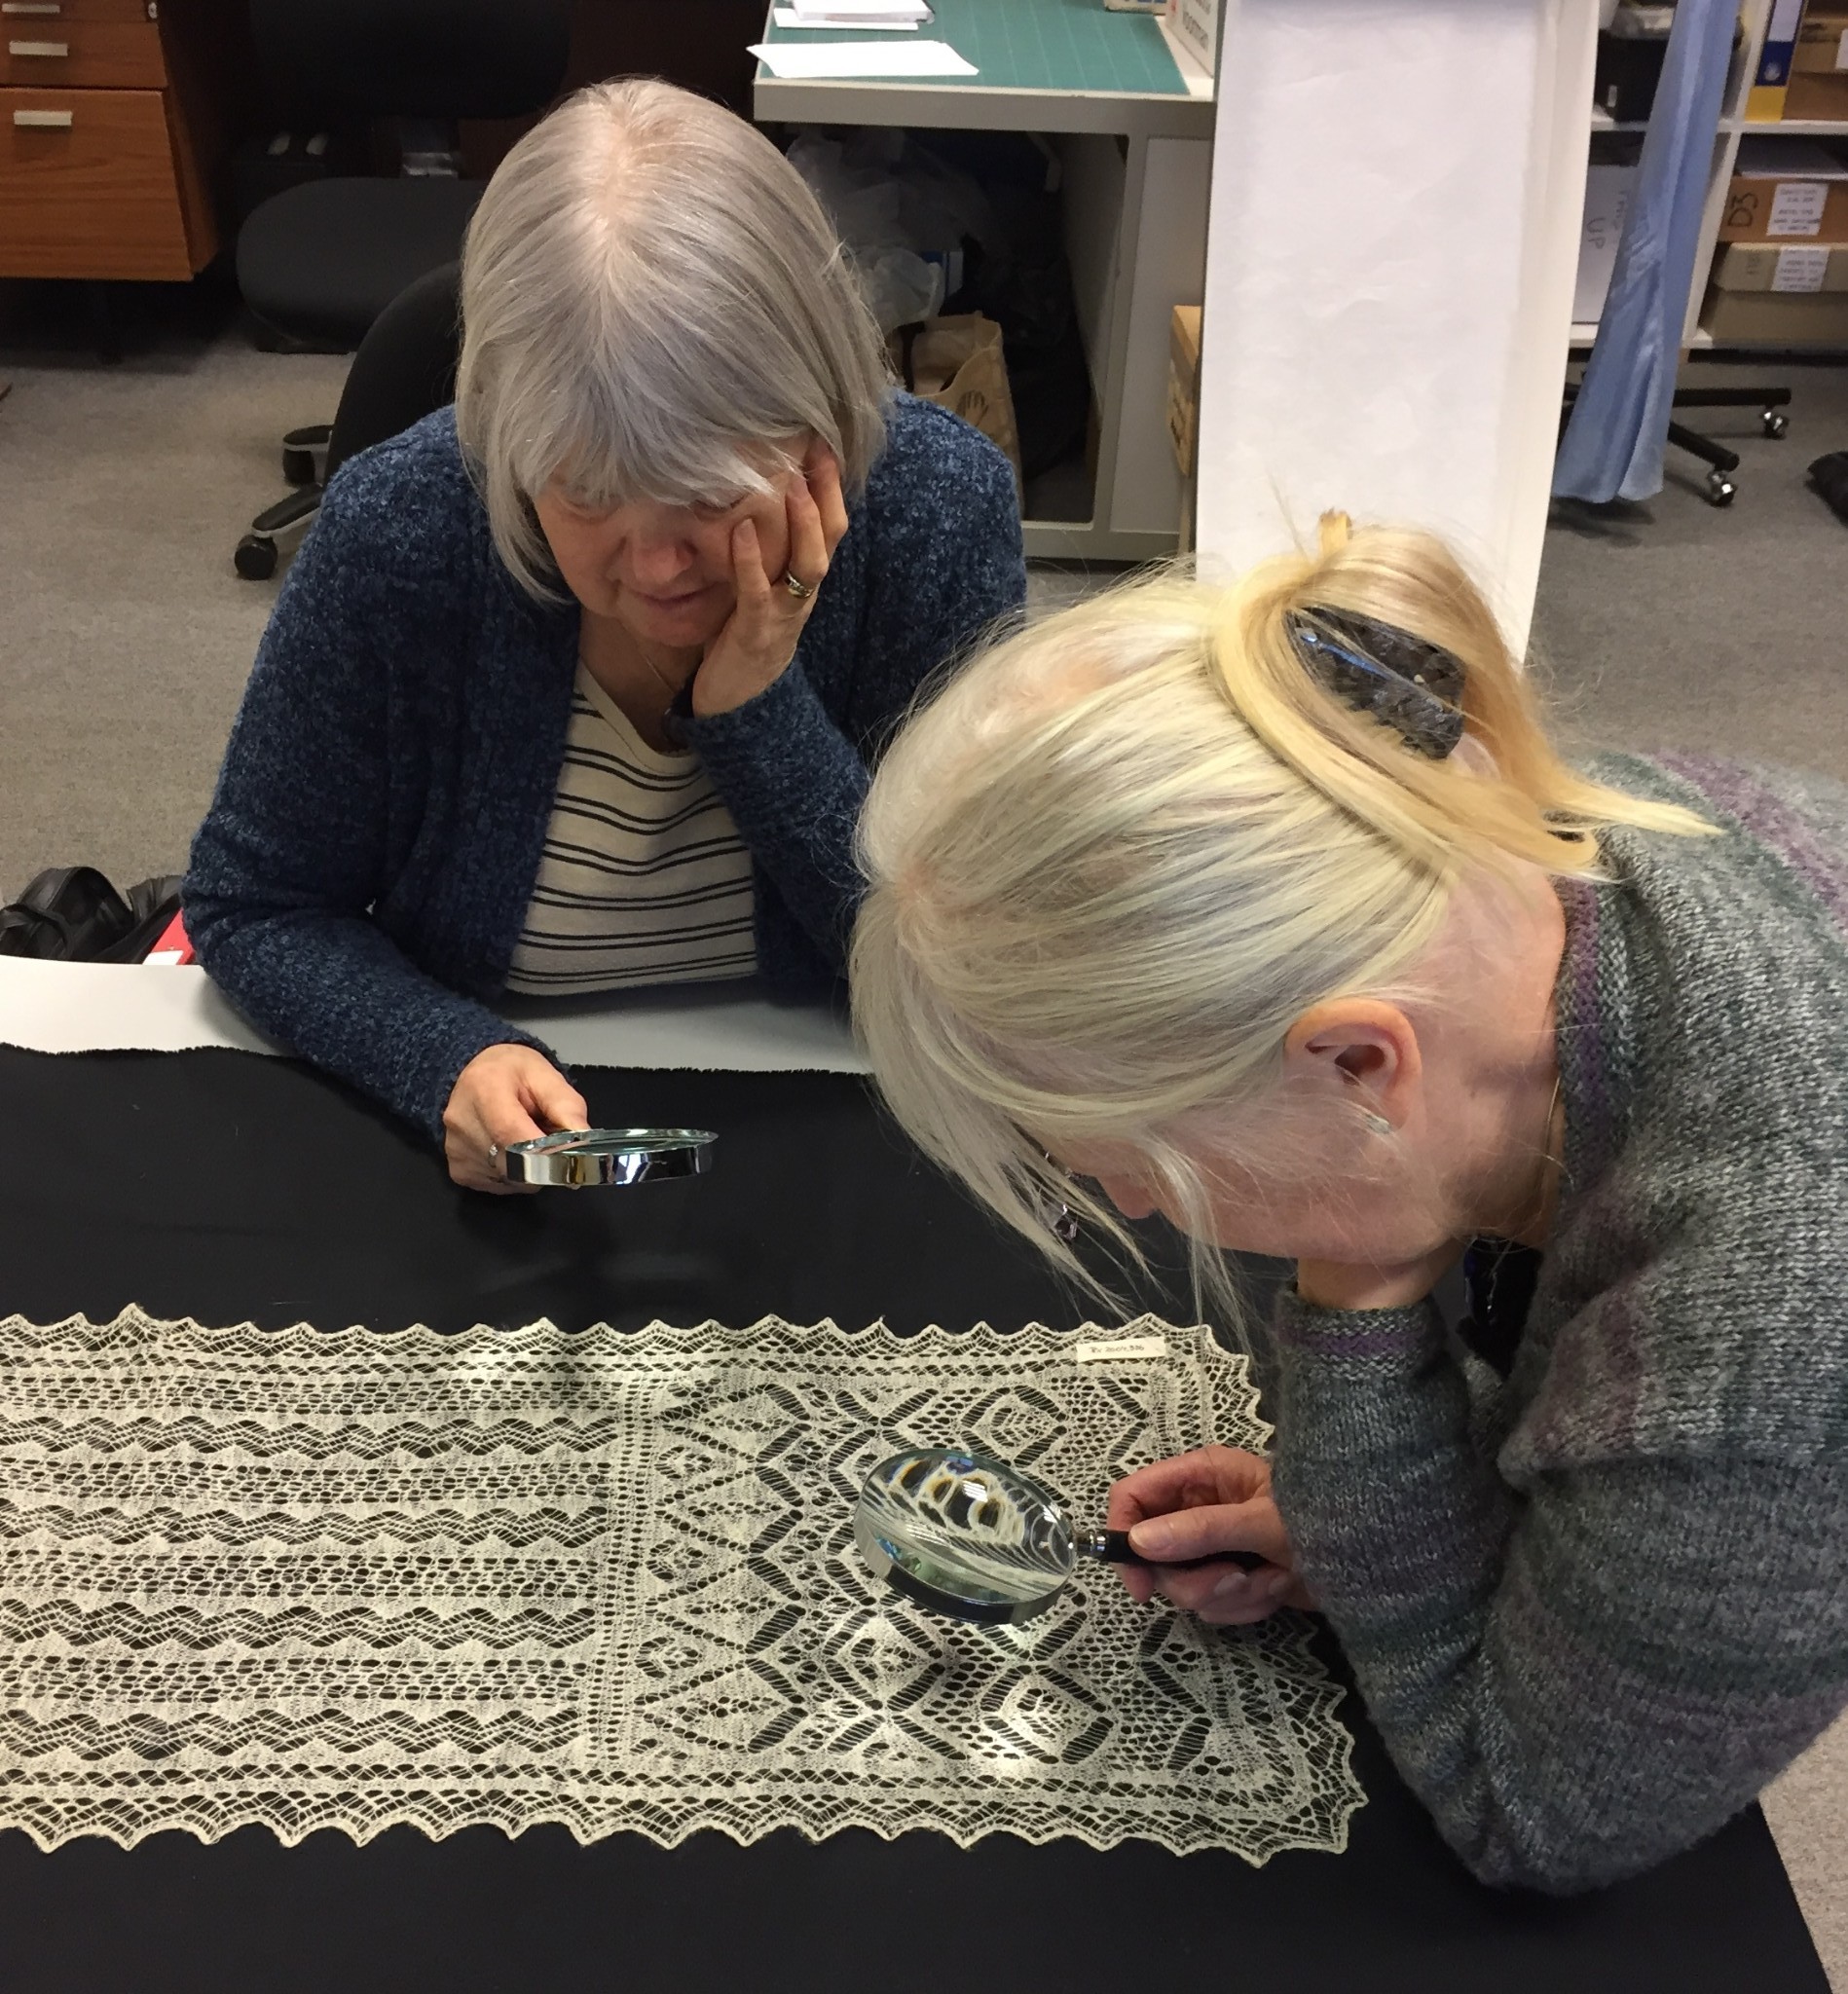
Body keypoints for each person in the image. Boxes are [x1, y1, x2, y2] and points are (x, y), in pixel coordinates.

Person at [849, 513, 1848, 1894]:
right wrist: (1383, 1525)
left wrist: (1362, 1307)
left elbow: (1543, 1809)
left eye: (1131, 1158)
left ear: (1356, 1061)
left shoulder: (1766, 1321)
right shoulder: (1494, 836)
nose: (1138, 1203)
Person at [185, 79, 1023, 1191]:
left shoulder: (935, 507)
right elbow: (256, 903)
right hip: (497, 1155)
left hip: (843, 1130)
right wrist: (443, 1052)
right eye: (584, 497)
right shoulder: (406, 523)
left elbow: (965, 968)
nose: (656, 565)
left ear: (817, 418)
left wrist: (758, 704)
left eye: (705, 497)